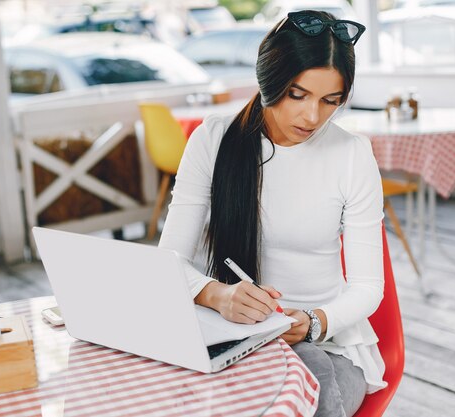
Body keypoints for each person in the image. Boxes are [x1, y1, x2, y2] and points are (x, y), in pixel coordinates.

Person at [158, 10, 386, 417]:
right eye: (298, 95)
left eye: (330, 101)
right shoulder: (213, 141)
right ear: (270, 79)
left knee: (309, 372)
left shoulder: (352, 155)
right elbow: (167, 261)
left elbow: (369, 287)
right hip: (230, 333)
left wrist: (315, 321)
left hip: (328, 343)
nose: (312, 116)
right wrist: (219, 294)